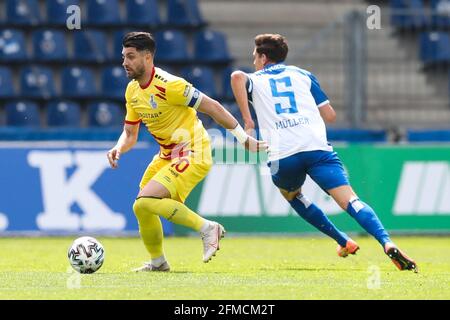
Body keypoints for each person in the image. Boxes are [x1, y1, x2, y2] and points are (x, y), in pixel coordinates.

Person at [230, 33, 418, 272]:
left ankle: (343, 240)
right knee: (351, 201)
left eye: (255, 57)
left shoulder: (253, 80)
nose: (254, 61)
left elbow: (236, 76)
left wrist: (249, 123)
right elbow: (329, 115)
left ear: (264, 58)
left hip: (283, 154)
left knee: (293, 196)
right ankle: (386, 242)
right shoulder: (303, 75)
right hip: (317, 149)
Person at [107, 32, 267, 272]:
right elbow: (130, 135)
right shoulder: (132, 91)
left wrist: (243, 139)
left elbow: (213, 107)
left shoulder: (171, 85)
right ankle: (158, 262)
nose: (124, 63)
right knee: (141, 207)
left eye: (130, 57)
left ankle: (208, 228)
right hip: (166, 155)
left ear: (147, 57)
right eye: (123, 57)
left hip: (194, 151)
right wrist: (119, 147)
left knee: (148, 200)